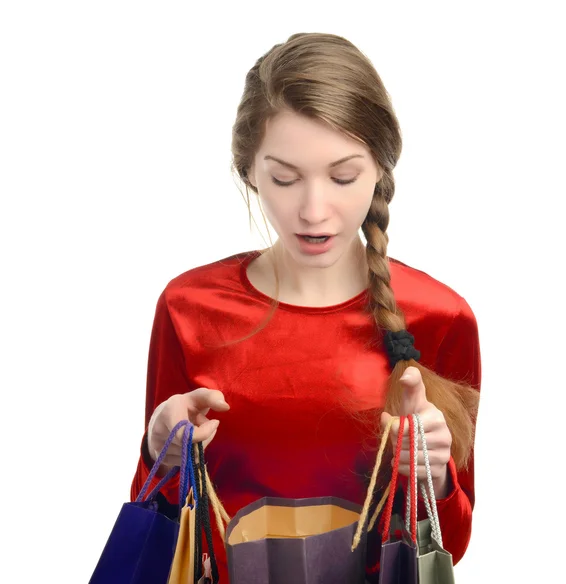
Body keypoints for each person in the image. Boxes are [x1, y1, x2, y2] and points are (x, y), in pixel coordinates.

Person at [130, 32, 481, 582]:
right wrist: (161, 451)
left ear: (381, 172)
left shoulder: (440, 318)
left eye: (343, 177)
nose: (314, 210)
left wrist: (433, 475)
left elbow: (450, 544)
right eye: (285, 178)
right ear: (249, 170)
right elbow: (158, 524)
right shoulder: (189, 308)